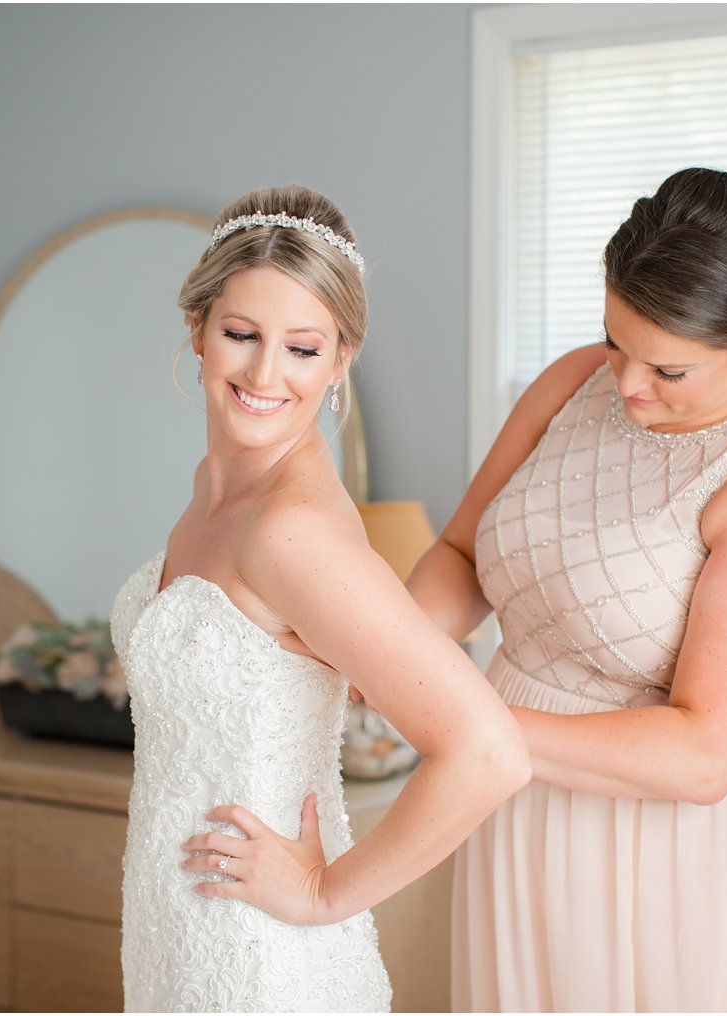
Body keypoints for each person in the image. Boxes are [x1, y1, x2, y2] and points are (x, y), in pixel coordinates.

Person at [406, 167, 727, 1012]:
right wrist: (393, 648)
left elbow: (705, 757)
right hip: (514, 794)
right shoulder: (577, 380)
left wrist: (455, 715)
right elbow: (461, 552)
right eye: (616, 340)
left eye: (668, 369)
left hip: (672, 846)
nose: (624, 384)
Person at [110, 185, 530, 1013]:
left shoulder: (292, 532)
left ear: (340, 361)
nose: (266, 375)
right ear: (197, 332)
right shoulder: (214, 488)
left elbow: (489, 753)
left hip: (261, 960)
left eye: (303, 349)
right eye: (241, 335)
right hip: (175, 930)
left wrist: (325, 894)